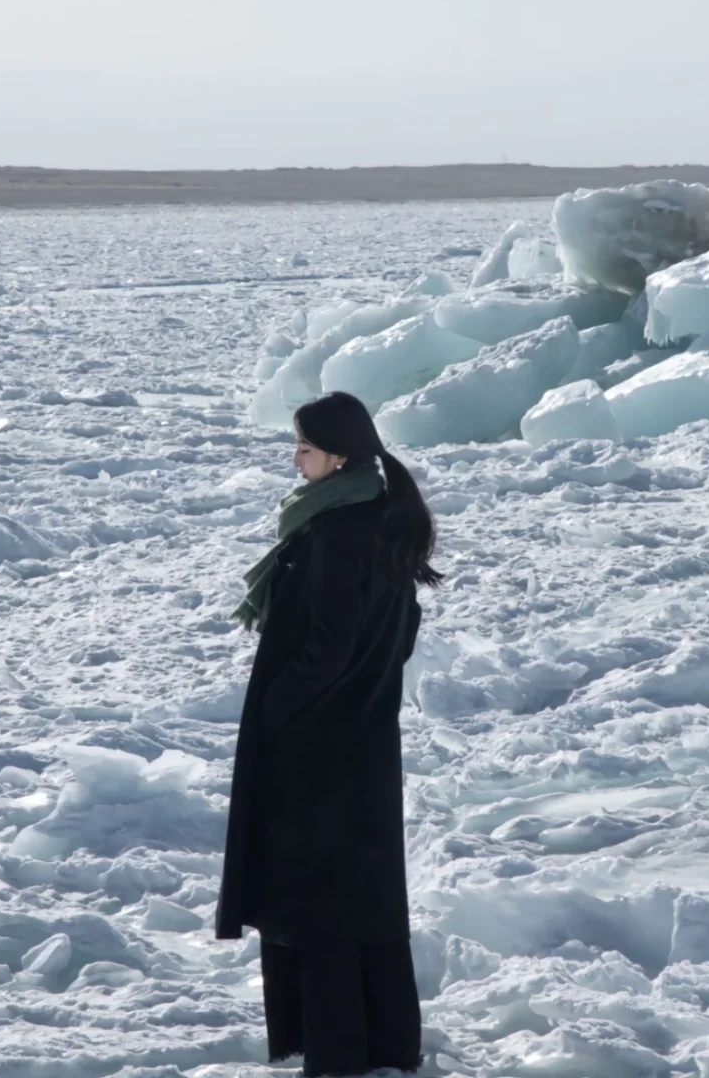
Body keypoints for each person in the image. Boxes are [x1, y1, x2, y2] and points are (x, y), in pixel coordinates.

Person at [216, 390, 442, 1078]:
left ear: (338, 454)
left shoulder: (337, 532)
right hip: (363, 739)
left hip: (319, 747)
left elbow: (330, 642)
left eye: (305, 449)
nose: (295, 460)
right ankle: (381, 1044)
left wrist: (283, 707)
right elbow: (398, 631)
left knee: (316, 898)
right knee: (361, 897)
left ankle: (336, 1052)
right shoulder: (376, 516)